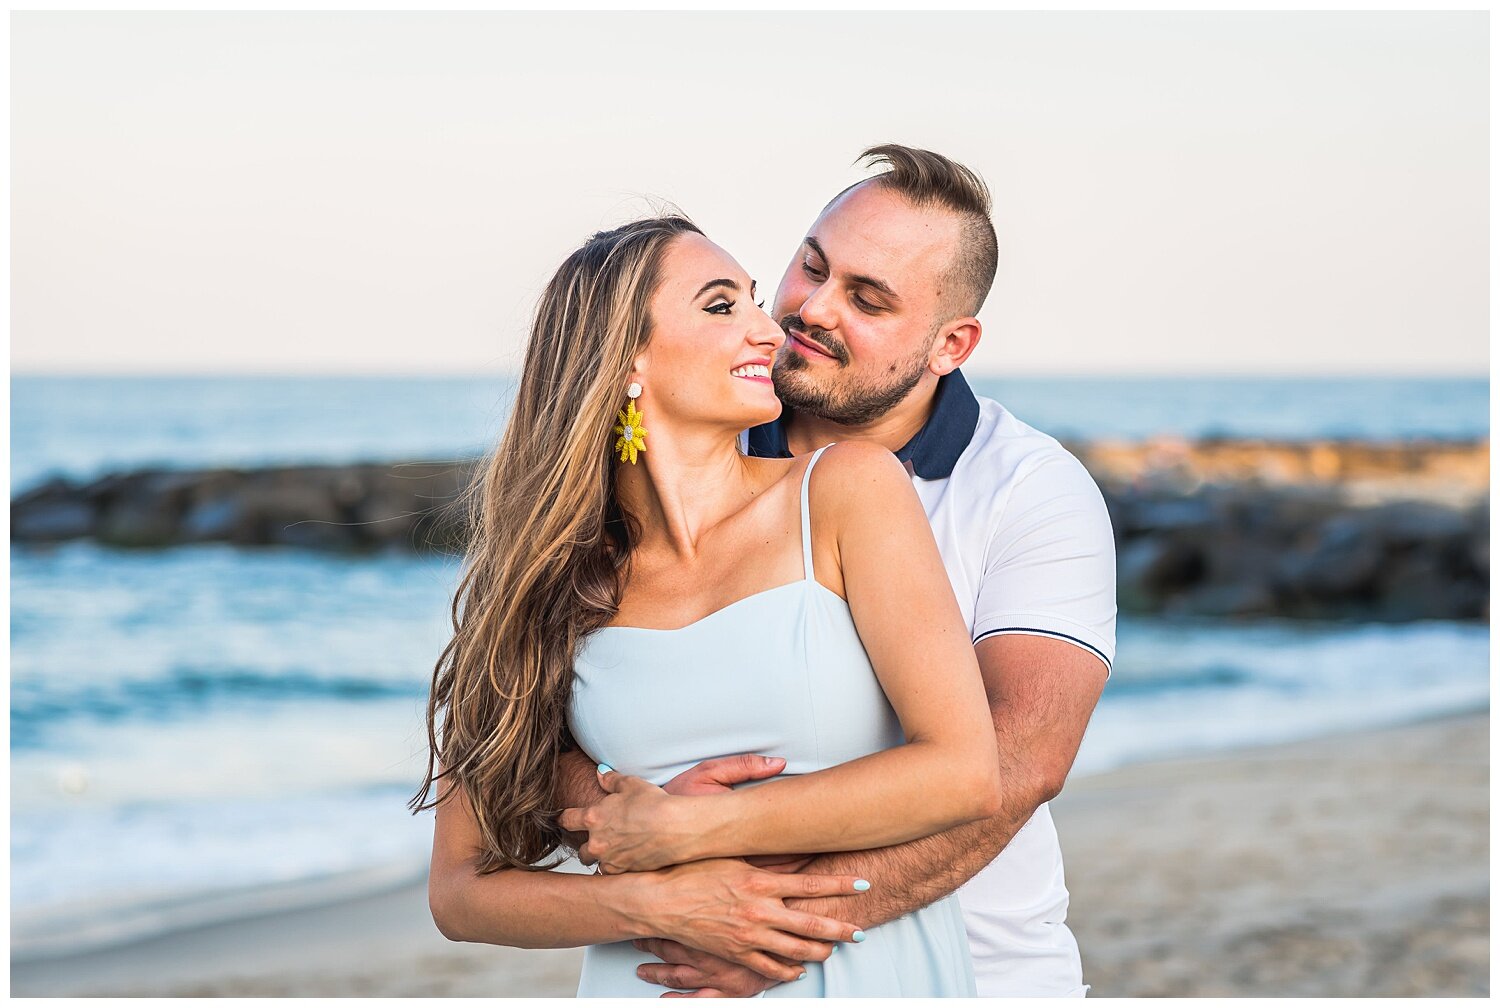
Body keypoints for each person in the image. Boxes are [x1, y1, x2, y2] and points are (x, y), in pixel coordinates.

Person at [555, 145, 1117, 997]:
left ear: (949, 344)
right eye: (810, 267)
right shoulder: (701, 432)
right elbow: (557, 713)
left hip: (977, 969)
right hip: (686, 950)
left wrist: (774, 924)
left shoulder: (1028, 489)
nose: (809, 309)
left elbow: (1016, 765)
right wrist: (614, 807)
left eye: (867, 299)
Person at [412, 213, 1005, 996]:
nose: (771, 330)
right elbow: (460, 893)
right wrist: (658, 901)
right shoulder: (547, 581)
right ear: (626, 358)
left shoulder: (845, 490)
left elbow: (965, 775)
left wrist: (693, 827)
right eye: (724, 306)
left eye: (758, 300)